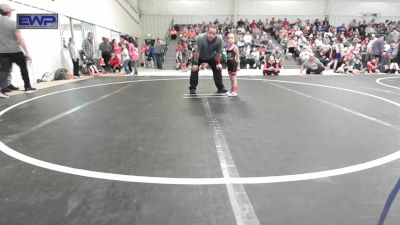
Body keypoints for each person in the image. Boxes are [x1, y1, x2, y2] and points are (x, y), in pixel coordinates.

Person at [0, 3, 36, 93]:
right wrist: (27, 53)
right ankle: (27, 87)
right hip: (15, 51)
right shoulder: (13, 23)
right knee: (23, 68)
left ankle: (1, 89)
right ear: (8, 12)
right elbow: (20, 39)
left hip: (2, 52)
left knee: (4, 71)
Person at [189, 25, 227, 94]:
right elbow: (197, 52)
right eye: (209, 33)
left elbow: (218, 53)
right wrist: (195, 64)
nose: (211, 35)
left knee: (217, 69)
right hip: (199, 56)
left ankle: (220, 86)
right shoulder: (200, 38)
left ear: (216, 34)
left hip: (211, 57)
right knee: (194, 69)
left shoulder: (219, 40)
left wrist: (218, 63)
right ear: (207, 32)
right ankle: (192, 88)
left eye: (213, 34)